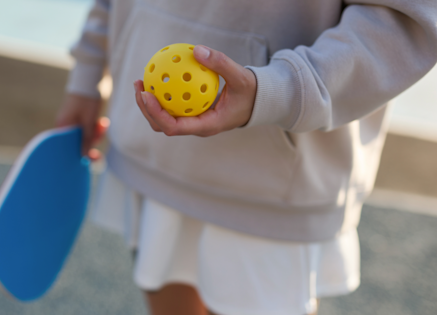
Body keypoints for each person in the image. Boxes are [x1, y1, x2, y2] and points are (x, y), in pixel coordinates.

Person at [57, 1, 437, 314]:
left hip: (273, 184)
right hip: (151, 157)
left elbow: (402, 23)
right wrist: (89, 68)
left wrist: (274, 91)